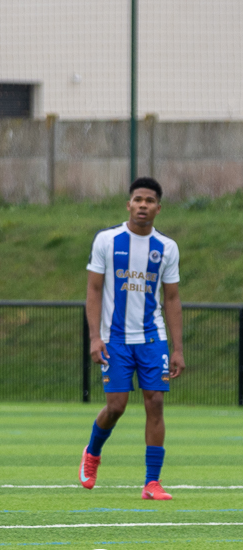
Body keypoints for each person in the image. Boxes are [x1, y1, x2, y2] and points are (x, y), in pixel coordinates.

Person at [80, 177, 184, 501]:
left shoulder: (166, 248)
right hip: (116, 338)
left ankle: (152, 483)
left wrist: (177, 349)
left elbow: (172, 299)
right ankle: (92, 452)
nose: (143, 205)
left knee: (155, 402)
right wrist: (95, 337)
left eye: (149, 200)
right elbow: (94, 290)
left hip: (152, 337)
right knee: (117, 406)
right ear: (128, 204)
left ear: (158, 208)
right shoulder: (107, 241)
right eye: (137, 199)